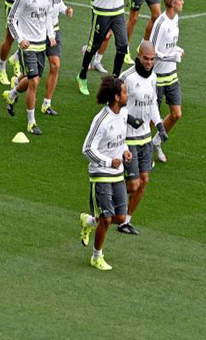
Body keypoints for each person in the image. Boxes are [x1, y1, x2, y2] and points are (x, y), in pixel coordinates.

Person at [78, 75, 132, 271]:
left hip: (117, 174)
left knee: (120, 217)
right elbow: (87, 149)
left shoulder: (124, 114)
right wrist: (109, 161)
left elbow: (120, 138)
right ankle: (96, 256)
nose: (128, 95)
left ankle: (90, 221)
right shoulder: (101, 120)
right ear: (117, 97)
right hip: (101, 173)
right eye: (125, 92)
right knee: (107, 218)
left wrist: (125, 150)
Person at [118, 41, 166, 235]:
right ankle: (112, 193)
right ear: (138, 57)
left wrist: (160, 124)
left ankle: (125, 221)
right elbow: (113, 104)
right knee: (133, 184)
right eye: (146, 59)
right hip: (128, 138)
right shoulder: (126, 78)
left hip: (145, 137)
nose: (149, 63)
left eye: (152, 59)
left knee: (144, 181)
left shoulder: (153, 77)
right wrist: (129, 119)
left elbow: (153, 103)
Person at [2, 0, 55, 135]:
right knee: (34, 82)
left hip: (42, 45)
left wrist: (51, 35)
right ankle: (31, 123)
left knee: (32, 78)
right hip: (28, 45)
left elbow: (47, 17)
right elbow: (11, 19)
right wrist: (20, 39)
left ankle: (12, 94)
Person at [148, 0, 185, 163]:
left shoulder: (176, 19)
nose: (182, 2)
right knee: (149, 118)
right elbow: (152, 51)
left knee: (176, 114)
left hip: (172, 75)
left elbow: (170, 46)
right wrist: (173, 56)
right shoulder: (160, 23)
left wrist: (177, 50)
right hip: (157, 78)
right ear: (171, 3)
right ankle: (143, 151)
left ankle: (156, 142)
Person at [41, 0, 72, 116]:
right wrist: (50, 35)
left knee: (55, 65)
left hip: (54, 27)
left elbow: (57, 2)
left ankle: (47, 103)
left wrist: (65, 9)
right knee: (33, 75)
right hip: (40, 30)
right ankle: (15, 90)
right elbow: (44, 11)